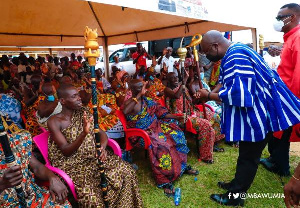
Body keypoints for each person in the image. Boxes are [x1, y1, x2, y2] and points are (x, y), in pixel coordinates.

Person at [197, 30, 300, 206]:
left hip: (259, 115)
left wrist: (209, 96)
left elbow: (241, 96)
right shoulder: (235, 50)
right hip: (258, 112)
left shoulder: (236, 56)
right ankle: (236, 184)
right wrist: (209, 92)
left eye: (207, 52)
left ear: (215, 46)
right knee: (245, 153)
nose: (207, 56)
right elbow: (225, 80)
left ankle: (235, 197)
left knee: (248, 158)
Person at [47, 84, 143, 207]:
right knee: (92, 198)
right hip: (73, 165)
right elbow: (66, 151)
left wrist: (102, 147)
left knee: (127, 171)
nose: (79, 98)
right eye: (74, 96)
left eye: (78, 95)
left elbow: (102, 134)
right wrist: (84, 133)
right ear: (63, 101)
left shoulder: (84, 112)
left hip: (94, 156)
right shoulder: (54, 121)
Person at [123, 79, 198, 196]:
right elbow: (125, 111)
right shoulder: (129, 103)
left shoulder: (148, 101)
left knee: (176, 135)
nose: (143, 89)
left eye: (142, 87)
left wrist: (177, 117)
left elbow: (161, 114)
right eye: (140, 88)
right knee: (162, 145)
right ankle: (165, 180)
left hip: (156, 127)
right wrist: (138, 95)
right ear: (133, 90)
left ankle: (181, 167)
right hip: (141, 134)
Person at [260, 3, 300, 177]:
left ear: (291, 17)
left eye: (279, 17)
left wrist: (294, 102)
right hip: (283, 95)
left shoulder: (298, 37)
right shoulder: (291, 38)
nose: (277, 21)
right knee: (279, 131)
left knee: (283, 132)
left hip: (289, 98)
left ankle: (281, 166)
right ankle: (275, 160)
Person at [0, 116, 71, 207]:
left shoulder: (15, 141)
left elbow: (37, 167)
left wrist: (53, 178)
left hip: (31, 196)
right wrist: (3, 184)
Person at [164, 72, 224, 163]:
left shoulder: (181, 86)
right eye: (173, 78)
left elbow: (191, 102)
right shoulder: (167, 90)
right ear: (168, 80)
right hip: (180, 117)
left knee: (214, 116)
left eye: (177, 77)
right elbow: (176, 96)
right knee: (205, 124)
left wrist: (198, 97)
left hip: (191, 111)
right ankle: (205, 155)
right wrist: (183, 82)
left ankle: (213, 143)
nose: (176, 79)